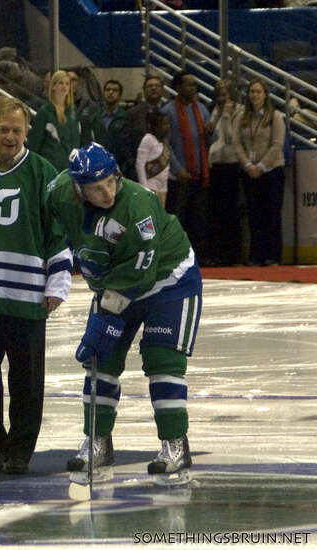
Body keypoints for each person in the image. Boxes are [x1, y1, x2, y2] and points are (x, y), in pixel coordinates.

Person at [45, 143, 201, 487]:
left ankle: (175, 445)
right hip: (113, 281)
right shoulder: (57, 194)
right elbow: (47, 229)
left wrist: (105, 316)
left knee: (163, 359)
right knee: (101, 359)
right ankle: (97, 441)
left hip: (169, 280)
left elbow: (141, 273)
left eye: (111, 182)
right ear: (76, 187)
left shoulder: (138, 206)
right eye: (96, 188)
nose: (107, 192)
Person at [0, 96, 72, 475]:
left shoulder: (42, 172)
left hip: (27, 297)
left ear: (26, 133)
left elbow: (58, 229)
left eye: (17, 131)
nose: (10, 137)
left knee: (27, 381)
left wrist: (58, 281)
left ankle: (20, 451)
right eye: (3, 129)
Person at [160, 71, 212, 262]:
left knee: (199, 220)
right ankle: (177, 257)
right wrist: (177, 167)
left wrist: (210, 132)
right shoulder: (168, 111)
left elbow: (210, 141)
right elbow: (165, 143)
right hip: (178, 177)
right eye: (188, 85)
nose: (193, 88)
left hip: (199, 175)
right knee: (178, 219)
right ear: (178, 88)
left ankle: (200, 257)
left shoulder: (203, 110)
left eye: (194, 84)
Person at [233, 79, 286, 267]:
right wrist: (248, 165)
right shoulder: (242, 117)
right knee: (254, 216)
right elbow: (237, 143)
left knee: (271, 214)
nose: (254, 95)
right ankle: (256, 255)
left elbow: (277, 145)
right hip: (249, 172)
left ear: (265, 95)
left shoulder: (275, 117)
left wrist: (261, 166)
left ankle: (273, 256)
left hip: (271, 171)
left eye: (258, 92)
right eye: (252, 92)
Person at [208, 79, 242, 266]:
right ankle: (218, 253)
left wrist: (227, 115)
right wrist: (217, 116)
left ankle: (233, 254)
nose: (221, 97)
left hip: (231, 164)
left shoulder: (239, 111)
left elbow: (230, 138)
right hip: (215, 165)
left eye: (225, 94)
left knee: (231, 211)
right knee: (216, 212)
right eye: (219, 94)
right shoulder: (214, 111)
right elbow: (211, 134)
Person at [27, 70, 81, 172]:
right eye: (60, 83)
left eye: (67, 84)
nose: (64, 86)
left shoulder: (73, 112)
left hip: (70, 167)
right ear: (53, 86)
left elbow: (76, 141)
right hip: (50, 167)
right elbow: (35, 143)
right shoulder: (45, 112)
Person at [125, 75, 166, 180]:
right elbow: (126, 141)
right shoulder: (132, 113)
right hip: (139, 170)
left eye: (157, 86)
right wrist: (132, 165)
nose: (153, 88)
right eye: (150, 86)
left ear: (162, 90)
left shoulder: (169, 111)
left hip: (165, 169)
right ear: (144, 90)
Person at [135, 112, 171, 206]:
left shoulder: (165, 141)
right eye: (164, 124)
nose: (167, 126)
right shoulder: (148, 139)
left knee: (160, 215)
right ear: (154, 126)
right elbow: (140, 164)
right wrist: (145, 188)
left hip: (162, 186)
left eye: (168, 123)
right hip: (150, 184)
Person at [100, 79, 129, 172]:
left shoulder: (125, 118)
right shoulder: (95, 117)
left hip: (117, 167)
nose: (110, 92)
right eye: (108, 90)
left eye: (115, 90)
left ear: (120, 95)